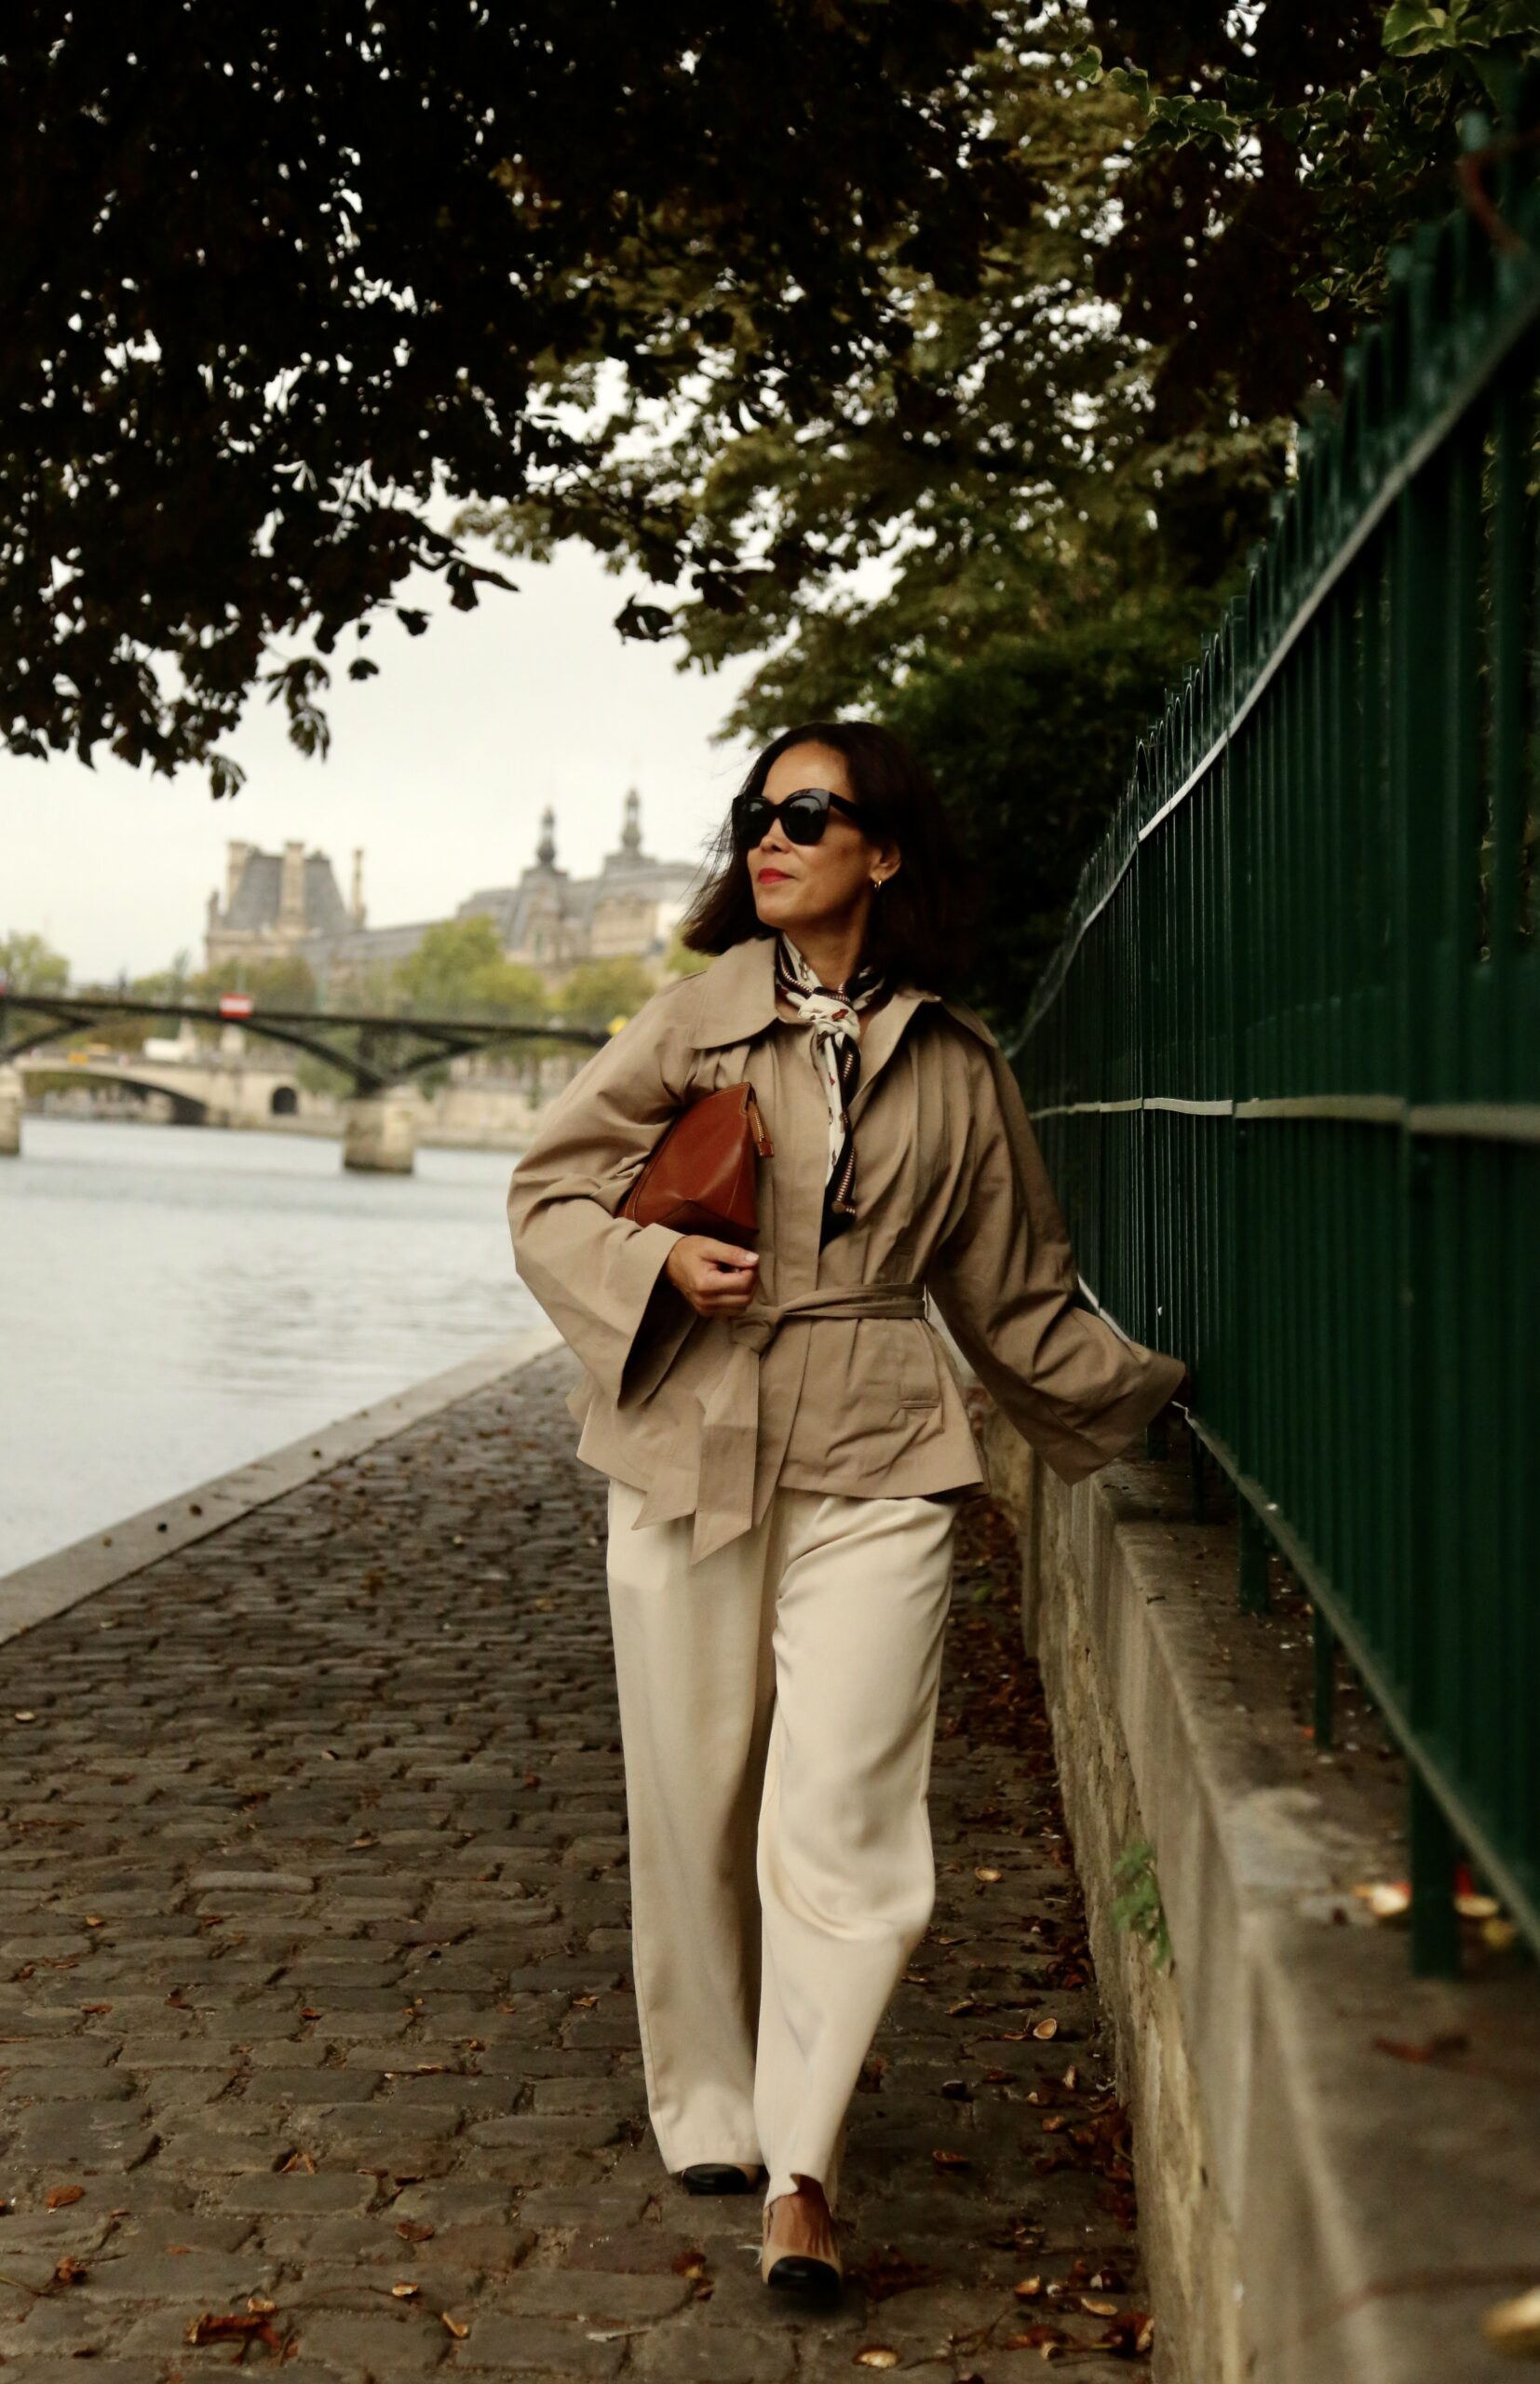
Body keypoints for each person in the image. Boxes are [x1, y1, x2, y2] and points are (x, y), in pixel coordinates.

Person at [506, 720, 1189, 2296]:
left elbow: (1015, 1297)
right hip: (688, 1435)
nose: (772, 832)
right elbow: (546, 1194)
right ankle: (710, 2101)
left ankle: (802, 2167)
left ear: (882, 852)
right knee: (691, 1793)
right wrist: (656, 1262)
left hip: (883, 1446)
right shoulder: (689, 1020)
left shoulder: (960, 1067)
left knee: (849, 1811)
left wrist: (1159, 1398)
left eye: (809, 812)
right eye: (758, 809)